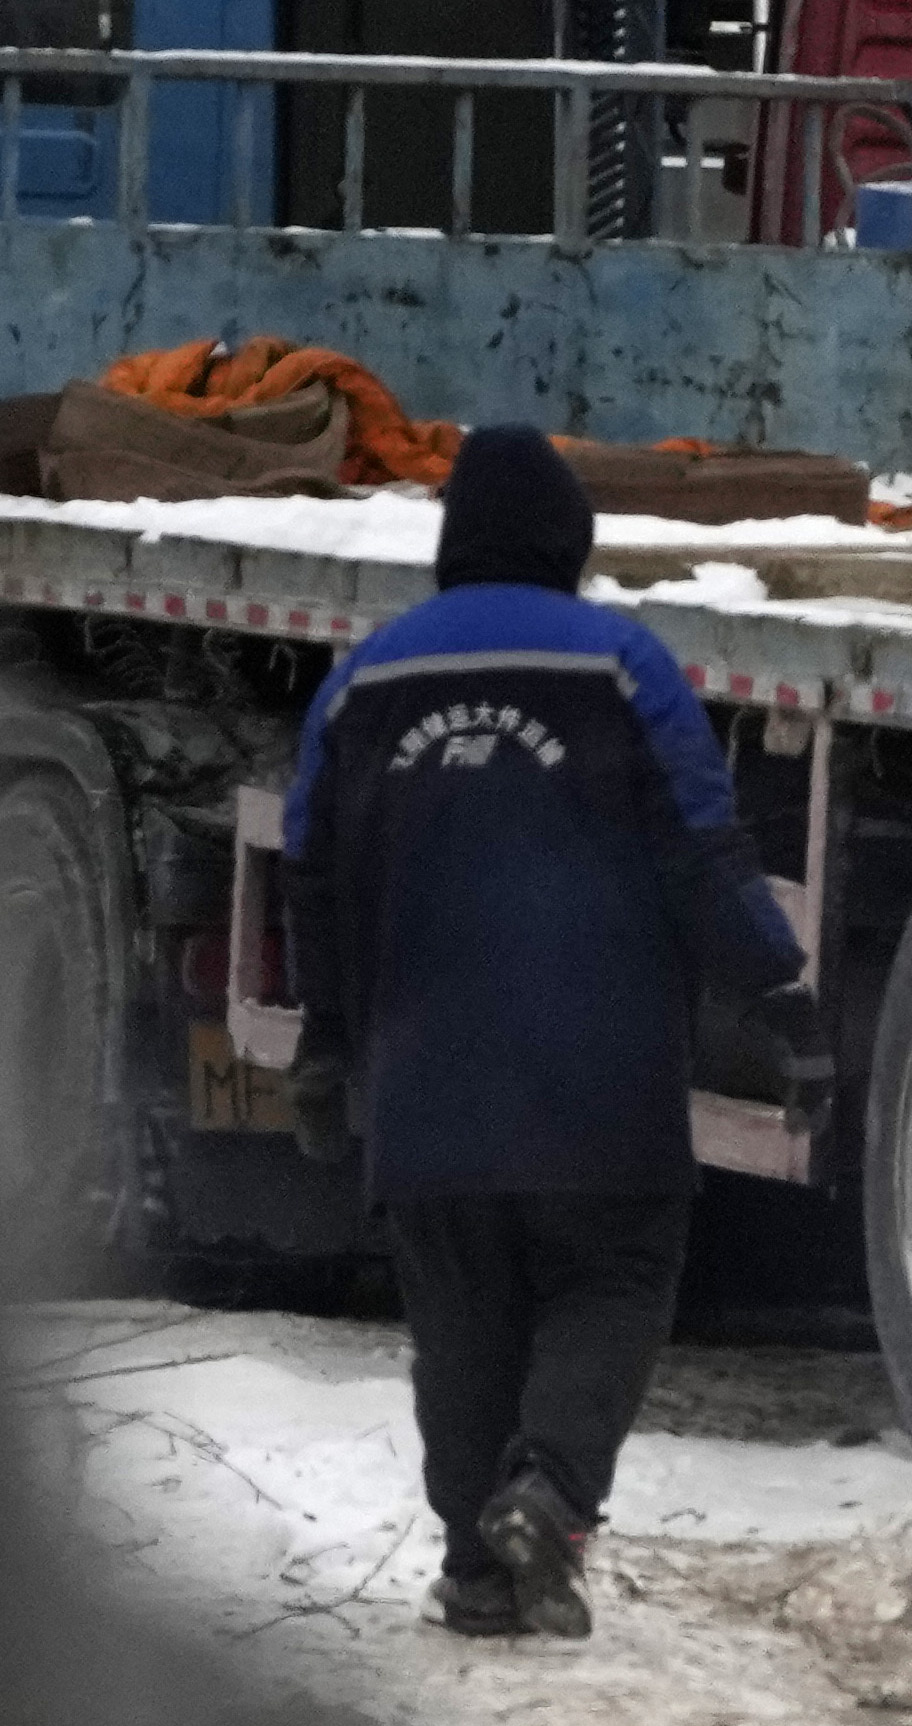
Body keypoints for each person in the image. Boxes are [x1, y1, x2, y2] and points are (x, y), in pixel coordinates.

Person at [282, 426, 811, 1643]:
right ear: (569, 541)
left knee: (459, 1319)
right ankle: (552, 1493)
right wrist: (777, 995)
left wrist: (326, 1039)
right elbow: (702, 848)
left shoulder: (364, 680)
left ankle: (477, 1569)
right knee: (612, 1279)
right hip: (599, 1076)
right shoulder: (622, 663)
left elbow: (313, 871)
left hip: (426, 1079)